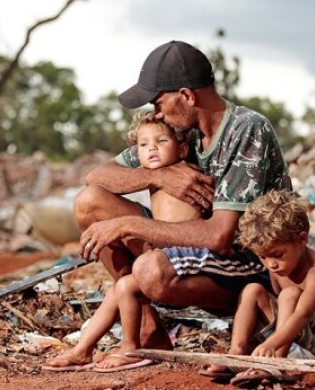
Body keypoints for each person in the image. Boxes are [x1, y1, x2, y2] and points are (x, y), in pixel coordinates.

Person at [76, 40, 292, 352]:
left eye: (158, 104)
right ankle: (150, 330)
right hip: (193, 254)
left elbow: (220, 236)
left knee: (150, 271)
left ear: (187, 96)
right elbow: (96, 177)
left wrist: (127, 226)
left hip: (249, 265)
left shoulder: (247, 130)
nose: (157, 115)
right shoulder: (182, 130)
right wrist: (157, 175)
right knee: (89, 201)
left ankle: (253, 325)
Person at [43, 112, 202, 372]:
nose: (151, 148)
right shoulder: (156, 166)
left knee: (123, 287)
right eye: (143, 145)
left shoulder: (187, 171)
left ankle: (131, 345)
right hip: (159, 244)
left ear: (183, 148)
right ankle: (83, 349)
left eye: (161, 141)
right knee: (117, 290)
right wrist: (154, 178)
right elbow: (95, 176)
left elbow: (191, 228)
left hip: (183, 253)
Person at [221, 190, 315, 387]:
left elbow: (302, 313)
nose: (271, 264)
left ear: (302, 240)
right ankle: (236, 356)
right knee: (252, 290)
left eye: (277, 254)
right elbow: (285, 313)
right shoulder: (277, 269)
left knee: (290, 294)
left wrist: (271, 344)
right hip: (303, 337)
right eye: (263, 257)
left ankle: (276, 364)